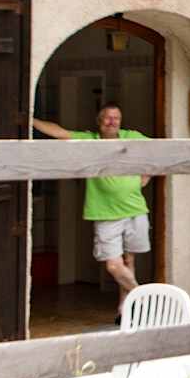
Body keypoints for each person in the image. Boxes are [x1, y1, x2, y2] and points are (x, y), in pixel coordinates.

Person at [32, 102, 151, 324]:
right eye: (107, 117)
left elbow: (161, 152)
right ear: (99, 121)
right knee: (114, 266)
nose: (112, 121)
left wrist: (149, 173)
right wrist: (31, 119)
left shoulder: (132, 136)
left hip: (135, 210)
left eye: (116, 117)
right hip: (105, 214)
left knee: (129, 261)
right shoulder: (90, 140)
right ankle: (142, 297)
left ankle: (124, 311)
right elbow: (59, 133)